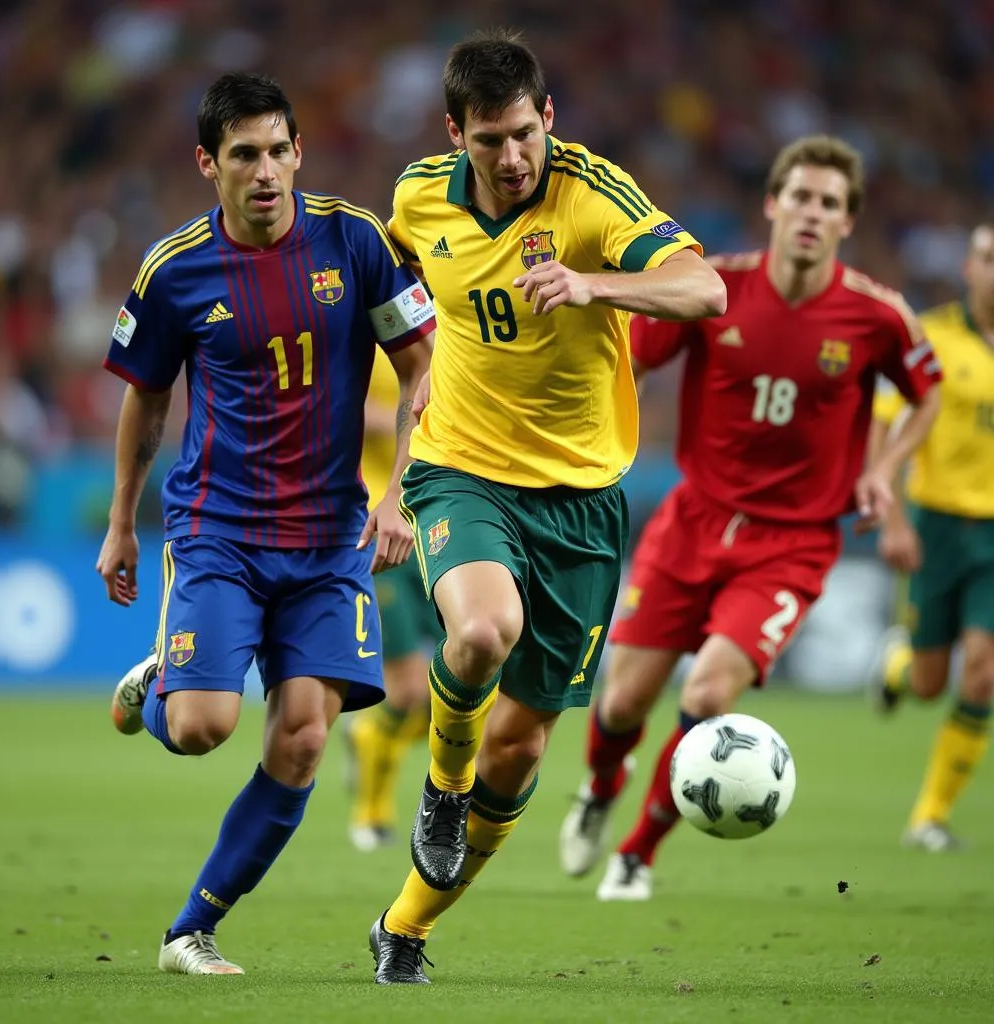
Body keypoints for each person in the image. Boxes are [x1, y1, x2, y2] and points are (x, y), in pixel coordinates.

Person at [366, 28, 726, 984]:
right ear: (456, 136)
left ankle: (405, 926)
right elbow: (381, 274)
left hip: (581, 503)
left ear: (548, 118)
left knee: (520, 751)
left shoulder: (591, 195)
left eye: (525, 133)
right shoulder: (414, 197)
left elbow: (705, 287)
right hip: (462, 470)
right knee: (481, 633)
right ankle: (439, 789)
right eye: (489, 141)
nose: (512, 157)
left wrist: (593, 283)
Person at [96, 71, 434, 974]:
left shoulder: (354, 241)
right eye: (244, 154)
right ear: (208, 163)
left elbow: (421, 367)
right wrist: (122, 523)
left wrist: (400, 492)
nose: (266, 171)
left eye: (280, 150)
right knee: (205, 726)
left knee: (304, 733)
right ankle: (161, 688)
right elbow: (146, 400)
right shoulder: (174, 270)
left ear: (297, 153)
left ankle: (189, 931)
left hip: (330, 540)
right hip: (220, 530)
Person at [559, 134, 943, 901]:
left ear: (847, 222)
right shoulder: (716, 289)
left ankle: (637, 851)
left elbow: (925, 392)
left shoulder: (878, 316)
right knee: (622, 702)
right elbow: (632, 358)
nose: (812, 213)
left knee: (705, 700)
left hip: (791, 544)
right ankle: (602, 788)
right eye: (799, 196)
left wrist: (882, 470)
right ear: (773, 204)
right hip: (692, 520)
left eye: (829, 204)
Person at [869, 223, 994, 851]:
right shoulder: (932, 337)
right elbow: (886, 425)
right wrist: (890, 512)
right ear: (968, 267)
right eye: (988, 259)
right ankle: (898, 663)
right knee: (926, 683)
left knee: (982, 674)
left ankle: (929, 817)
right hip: (937, 525)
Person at [346, 357, 441, 852]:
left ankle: (370, 734)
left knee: (462, 693)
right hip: (380, 527)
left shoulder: (455, 313)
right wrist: (404, 413)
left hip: (445, 525)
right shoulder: (374, 324)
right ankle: (371, 809)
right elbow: (330, 405)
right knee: (405, 690)